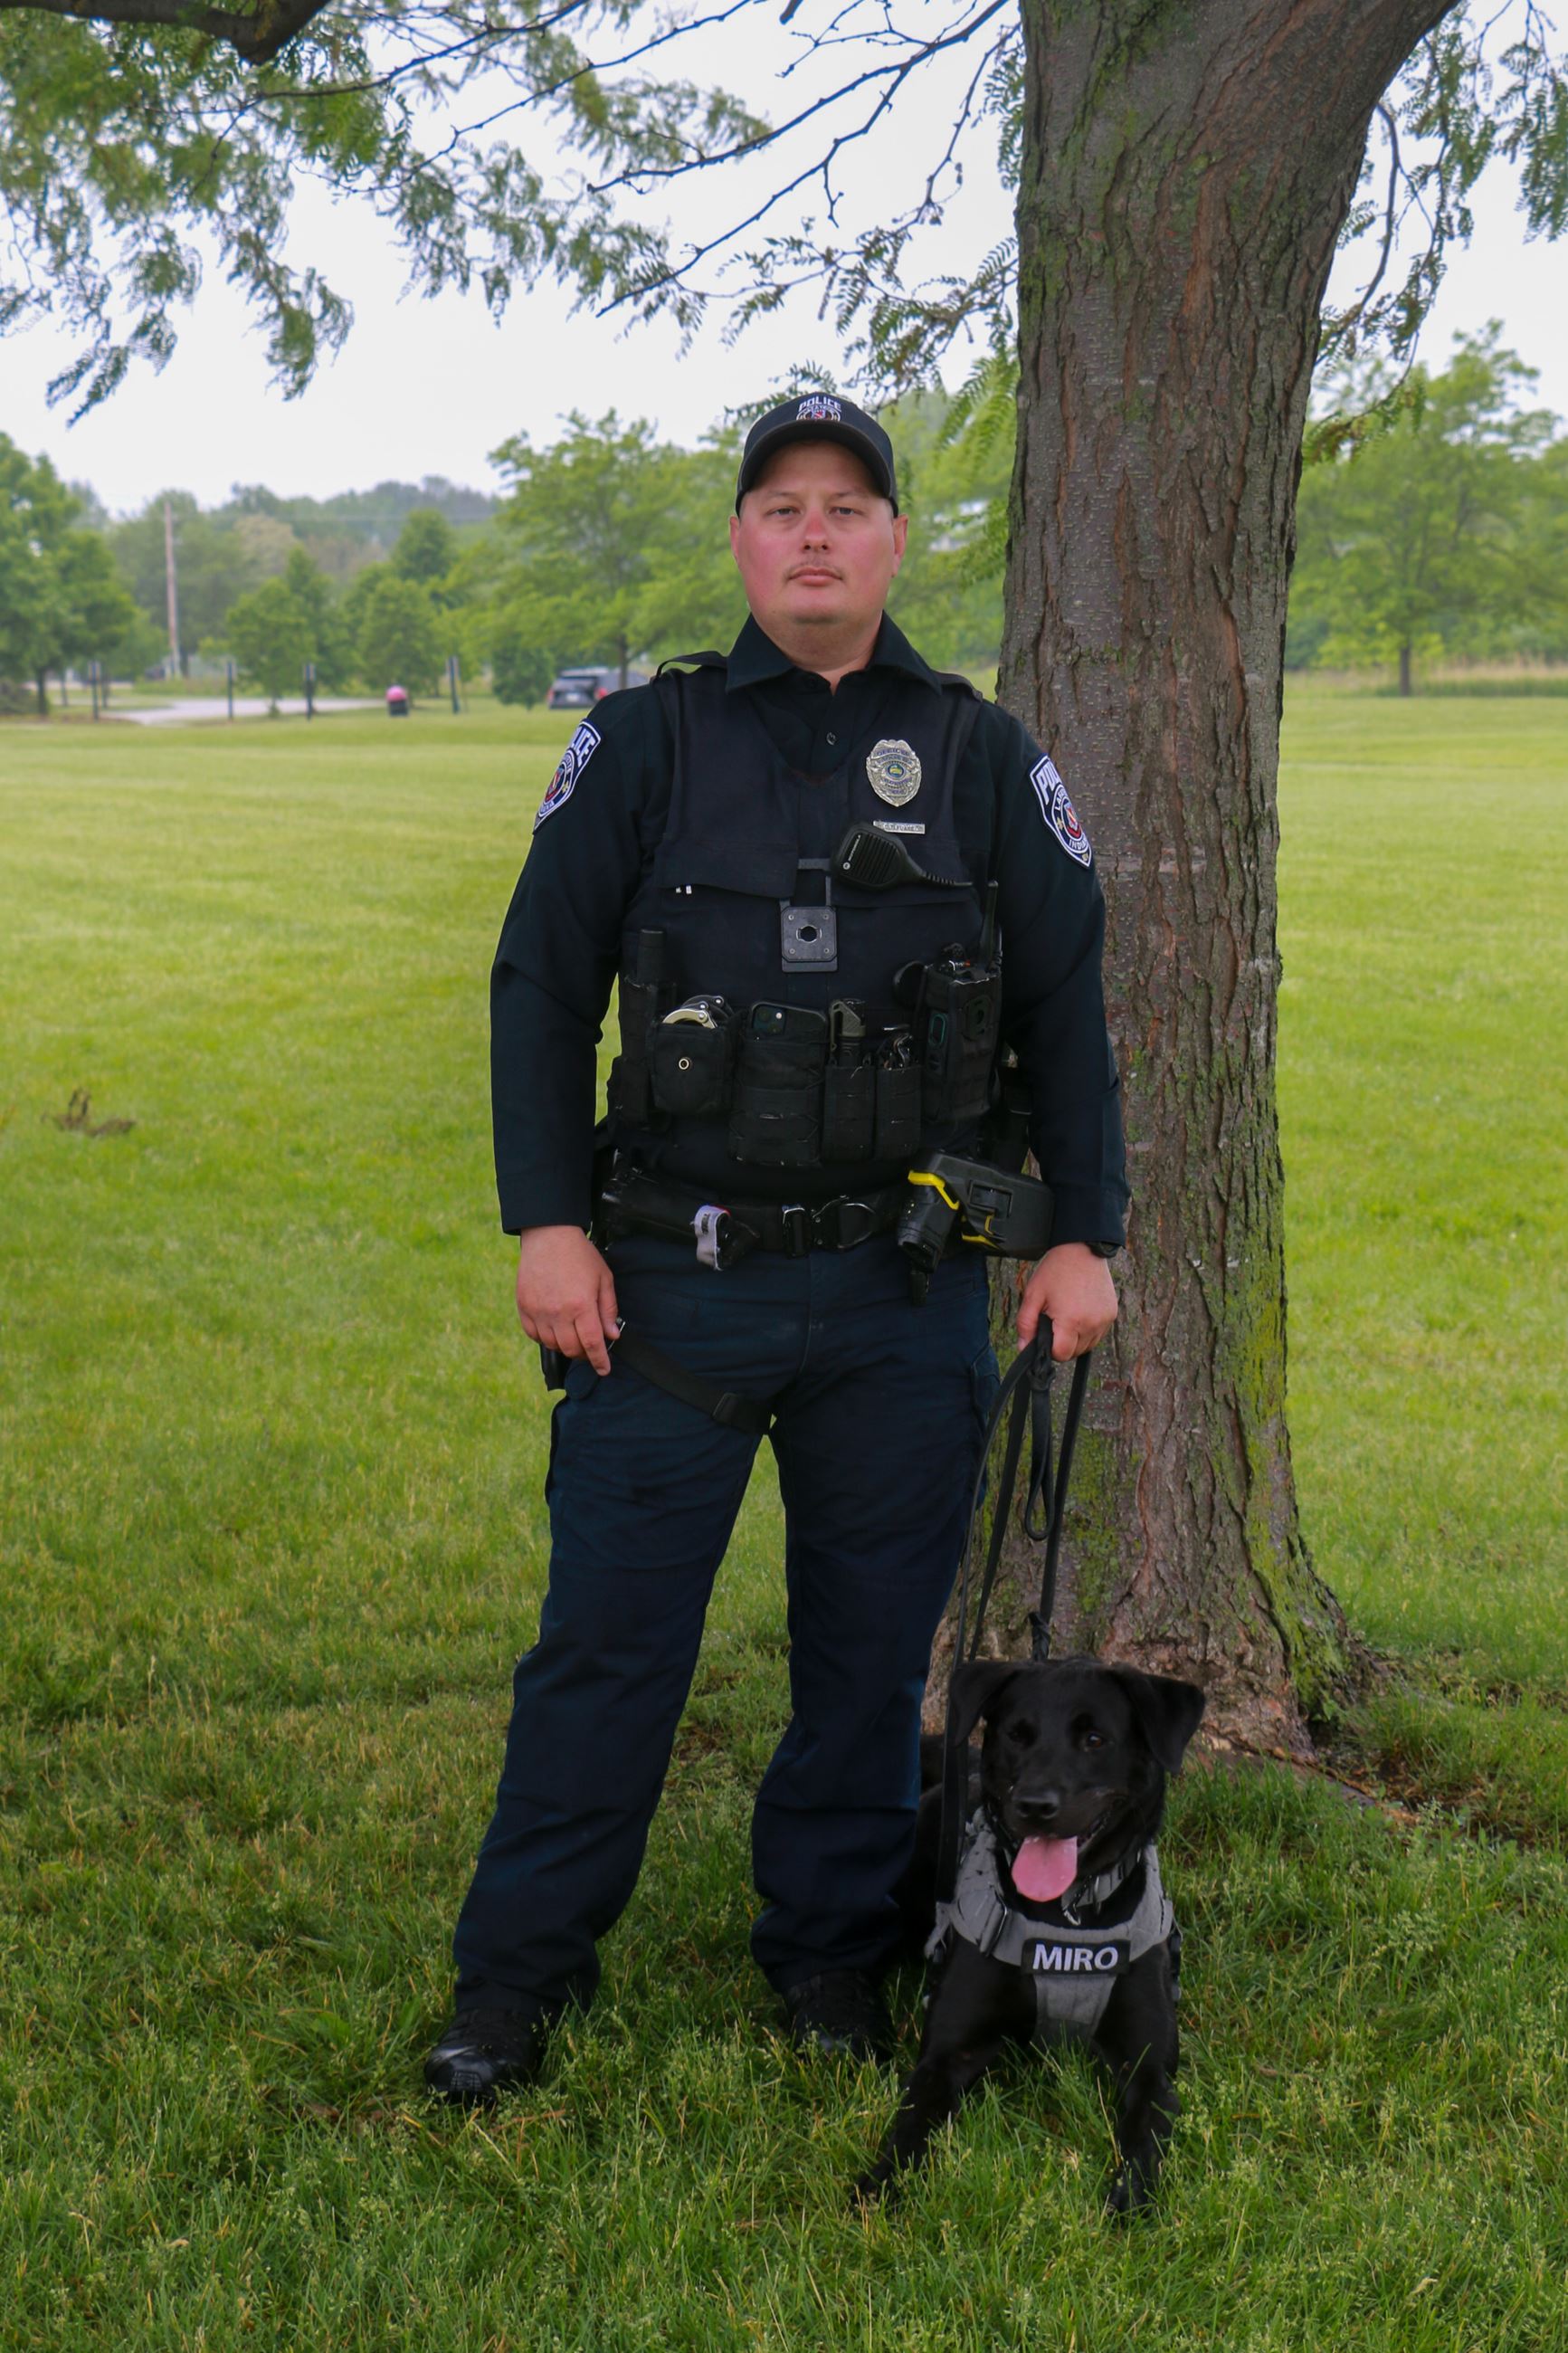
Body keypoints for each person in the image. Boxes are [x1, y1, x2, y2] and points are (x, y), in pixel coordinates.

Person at [424, 393, 1127, 2104]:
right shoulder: (644, 742)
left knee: (869, 1662)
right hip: (664, 1288)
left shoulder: (976, 755)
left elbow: (1064, 1010)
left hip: (896, 1299)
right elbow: (539, 984)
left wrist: (1080, 1240)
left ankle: (827, 1958)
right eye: (780, 506)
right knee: (606, 1650)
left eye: (847, 507)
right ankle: (515, 1987)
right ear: (742, 540)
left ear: (893, 540)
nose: (813, 533)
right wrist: (546, 1223)